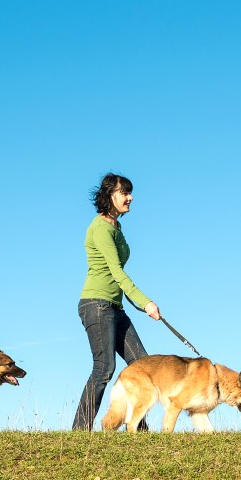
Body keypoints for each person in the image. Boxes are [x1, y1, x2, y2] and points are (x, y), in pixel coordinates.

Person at [73, 173, 161, 431]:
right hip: (96, 304)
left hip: (115, 307)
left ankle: (138, 429)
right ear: (109, 195)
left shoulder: (116, 228)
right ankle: (80, 430)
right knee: (104, 368)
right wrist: (145, 303)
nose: (130, 197)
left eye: (130, 192)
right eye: (124, 192)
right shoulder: (100, 228)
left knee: (143, 366)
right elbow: (117, 272)